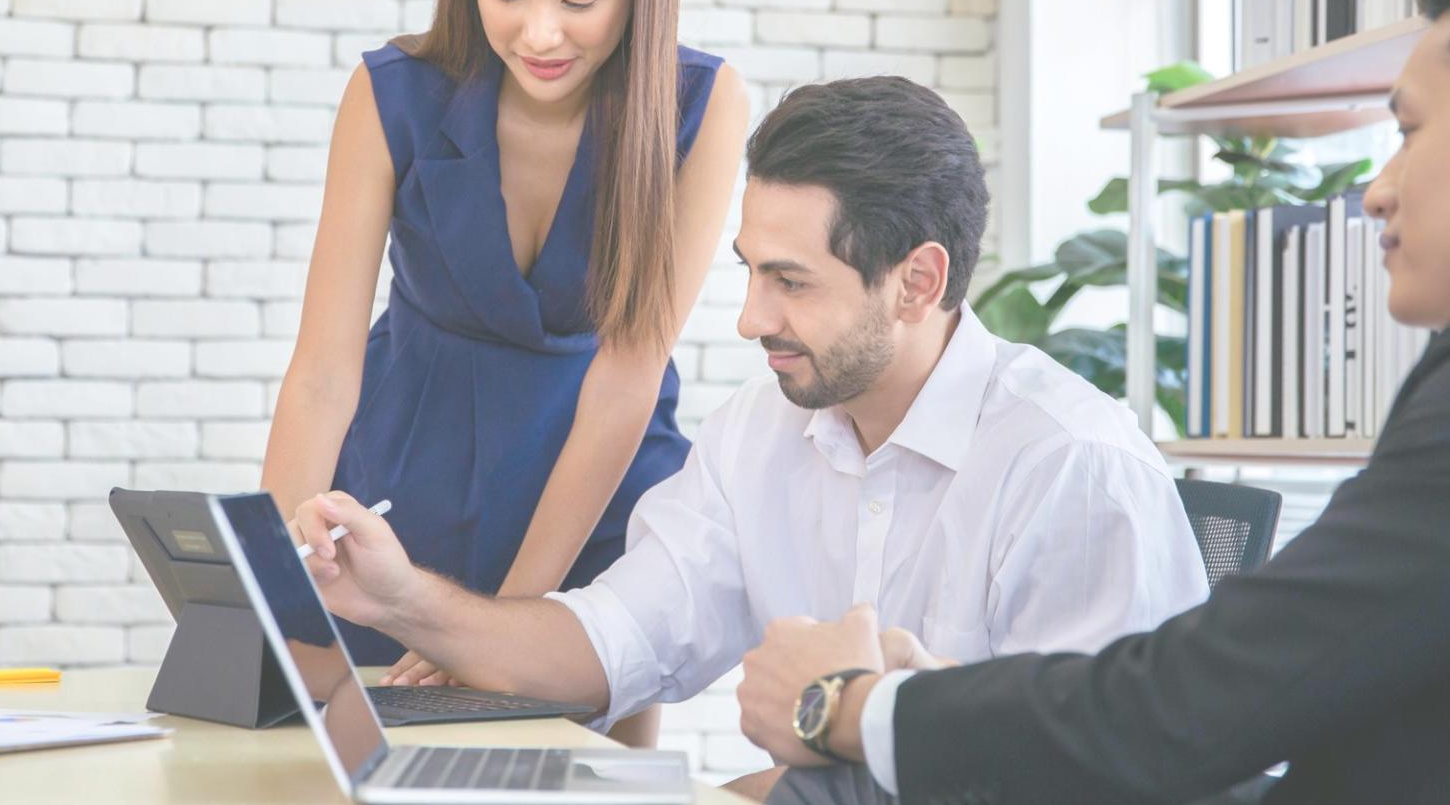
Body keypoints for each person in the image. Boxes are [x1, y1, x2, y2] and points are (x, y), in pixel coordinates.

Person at [290, 76, 1208, 787]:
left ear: (917, 281)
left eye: (791, 281)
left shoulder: (1071, 466)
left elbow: (1091, 776)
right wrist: (402, 596)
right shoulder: (759, 434)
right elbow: (610, 641)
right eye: (749, 271)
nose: (748, 317)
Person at [734, 0, 1450, 805]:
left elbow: (1178, 715)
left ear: (916, 282)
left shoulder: (1070, 453)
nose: (1375, 190)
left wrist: (846, 705)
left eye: (1406, 132)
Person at [257, 0, 750, 753]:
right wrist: (267, 580)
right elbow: (322, 371)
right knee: (356, 758)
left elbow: (625, 374)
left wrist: (500, 630)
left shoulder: (700, 106)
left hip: (593, 481)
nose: (537, 32)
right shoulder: (392, 90)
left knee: (579, 767)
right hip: (406, 474)